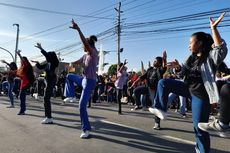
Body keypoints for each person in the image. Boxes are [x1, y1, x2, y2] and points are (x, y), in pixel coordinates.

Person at [148, 13, 227, 153]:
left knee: (199, 128)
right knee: (163, 82)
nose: (189, 45)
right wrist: (178, 67)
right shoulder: (190, 58)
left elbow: (220, 49)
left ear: (200, 43)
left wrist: (214, 29)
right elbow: (181, 74)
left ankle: (202, 150)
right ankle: (161, 110)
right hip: (187, 87)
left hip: (201, 95)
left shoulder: (210, 57)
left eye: (191, 42)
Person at [64, 19, 99, 139]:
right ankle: (72, 95)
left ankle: (86, 129)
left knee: (81, 106)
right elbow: (77, 62)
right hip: (83, 79)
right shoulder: (85, 56)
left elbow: (85, 42)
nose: (82, 47)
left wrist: (78, 29)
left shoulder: (93, 52)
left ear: (88, 45)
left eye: (84, 45)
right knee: (69, 76)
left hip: (90, 82)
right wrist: (71, 63)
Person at [31, 43, 59, 124]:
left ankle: (49, 117)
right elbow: (40, 67)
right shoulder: (47, 64)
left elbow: (47, 56)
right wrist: (37, 62)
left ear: (51, 57)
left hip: (50, 80)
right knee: (46, 98)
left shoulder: (52, 63)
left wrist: (41, 48)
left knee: (46, 99)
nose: (46, 58)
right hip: (47, 81)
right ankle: (48, 117)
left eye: (48, 56)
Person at [16, 50, 35, 115]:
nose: (21, 62)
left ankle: (22, 110)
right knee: (21, 97)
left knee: (21, 97)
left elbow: (23, 61)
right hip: (23, 84)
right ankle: (23, 110)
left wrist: (19, 54)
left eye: (22, 61)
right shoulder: (23, 68)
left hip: (25, 84)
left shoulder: (26, 66)